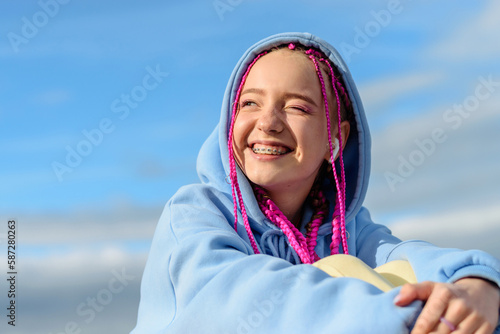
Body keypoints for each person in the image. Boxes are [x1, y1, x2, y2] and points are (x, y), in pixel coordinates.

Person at [131, 32, 500, 333]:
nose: (268, 122)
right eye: (249, 104)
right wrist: (419, 317)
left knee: (369, 267)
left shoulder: (345, 227)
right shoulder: (196, 214)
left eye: (297, 107)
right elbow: (240, 303)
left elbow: (409, 257)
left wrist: (477, 286)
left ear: (335, 140)